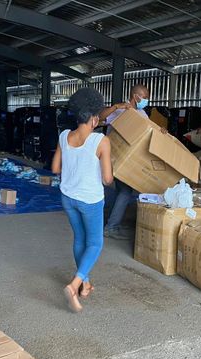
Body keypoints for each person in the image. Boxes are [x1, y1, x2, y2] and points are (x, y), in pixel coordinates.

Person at [52, 87, 113, 313]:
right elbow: (107, 179)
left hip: (68, 197)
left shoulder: (63, 136)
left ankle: (85, 284)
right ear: (95, 117)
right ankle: (75, 284)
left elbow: (55, 167)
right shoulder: (100, 141)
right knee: (95, 243)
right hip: (90, 200)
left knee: (79, 239)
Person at [99, 84, 149, 240]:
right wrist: (115, 106)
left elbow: (149, 131)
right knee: (125, 191)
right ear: (136, 96)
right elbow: (100, 117)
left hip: (130, 159)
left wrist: (161, 131)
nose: (146, 100)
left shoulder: (142, 113)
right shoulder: (121, 110)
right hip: (115, 157)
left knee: (123, 191)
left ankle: (108, 222)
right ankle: (110, 227)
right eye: (145, 97)